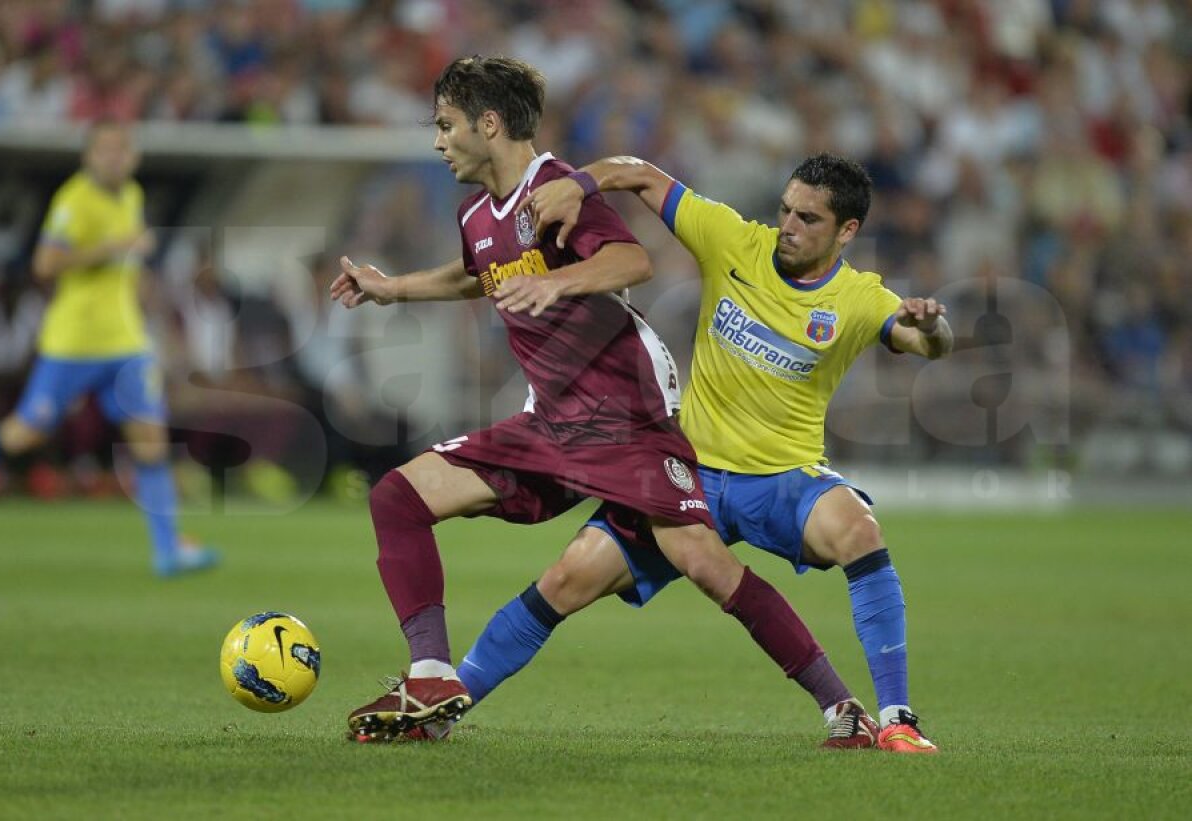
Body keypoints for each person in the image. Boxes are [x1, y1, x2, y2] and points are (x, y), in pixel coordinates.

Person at [330, 56, 877, 746]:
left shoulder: (555, 190)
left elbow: (631, 261)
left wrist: (560, 285)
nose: (438, 141)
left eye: (446, 125)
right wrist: (394, 288)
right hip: (549, 422)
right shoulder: (477, 213)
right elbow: (479, 275)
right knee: (400, 498)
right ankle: (434, 675)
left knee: (706, 566)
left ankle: (842, 708)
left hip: (626, 421)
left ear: (488, 124)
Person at [432, 153, 953, 753]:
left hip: (781, 479)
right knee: (568, 577)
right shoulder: (732, 239)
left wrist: (932, 326)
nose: (787, 225)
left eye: (808, 219)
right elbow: (638, 172)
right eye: (785, 209)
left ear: (847, 231)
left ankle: (897, 718)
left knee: (860, 530)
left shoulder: (860, 298)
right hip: (685, 473)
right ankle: (444, 705)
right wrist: (576, 186)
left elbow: (926, 345)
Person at [0, 120, 219, 577]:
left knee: (150, 441)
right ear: (88, 157)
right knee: (25, 432)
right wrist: (110, 246)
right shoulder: (74, 202)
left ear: (132, 157)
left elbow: (126, 267)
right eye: (105, 150)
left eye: (121, 151)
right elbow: (45, 264)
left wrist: (141, 281)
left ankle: (167, 550)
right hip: (73, 344)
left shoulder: (131, 195)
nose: (114, 158)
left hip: (126, 344)